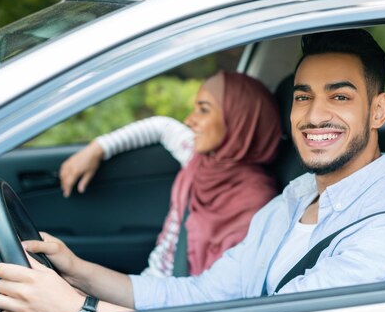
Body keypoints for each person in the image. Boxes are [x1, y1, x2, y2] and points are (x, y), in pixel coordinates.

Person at [0, 29, 385, 312]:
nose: (315, 115)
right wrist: (81, 272)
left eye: (341, 97)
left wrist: (78, 311)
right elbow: (205, 293)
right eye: (303, 97)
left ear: (379, 110)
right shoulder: (296, 196)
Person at [59, 71, 282, 277]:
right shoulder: (198, 158)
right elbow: (162, 126)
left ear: (239, 120)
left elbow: (221, 288)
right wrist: (98, 148)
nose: (189, 120)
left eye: (203, 110)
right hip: (150, 282)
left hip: (175, 307)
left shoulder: (257, 203)